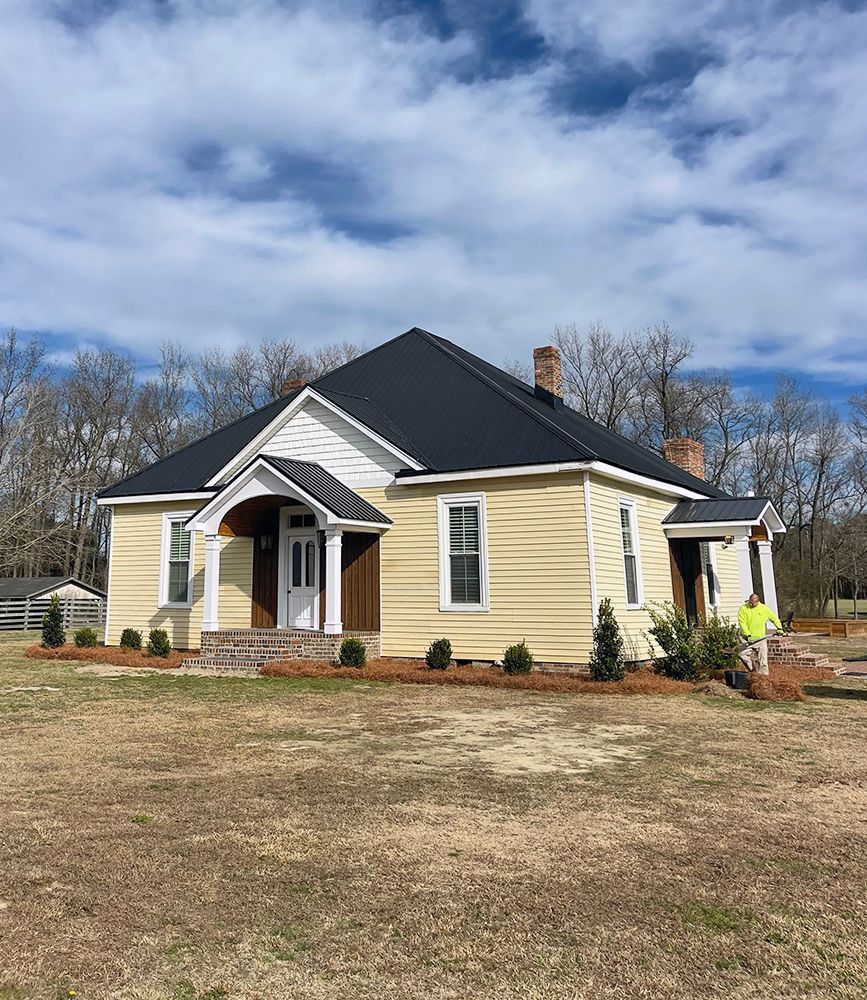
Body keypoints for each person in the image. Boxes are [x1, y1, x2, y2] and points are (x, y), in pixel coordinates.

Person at [737, 593, 782, 675]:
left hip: (760, 639)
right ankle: (752, 669)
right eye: (750, 602)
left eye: (753, 603)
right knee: (742, 654)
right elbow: (742, 623)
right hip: (746, 638)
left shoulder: (764, 609)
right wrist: (747, 634)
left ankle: (763, 676)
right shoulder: (743, 608)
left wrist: (779, 628)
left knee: (763, 660)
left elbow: (774, 618)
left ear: (758, 602)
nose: (751, 604)